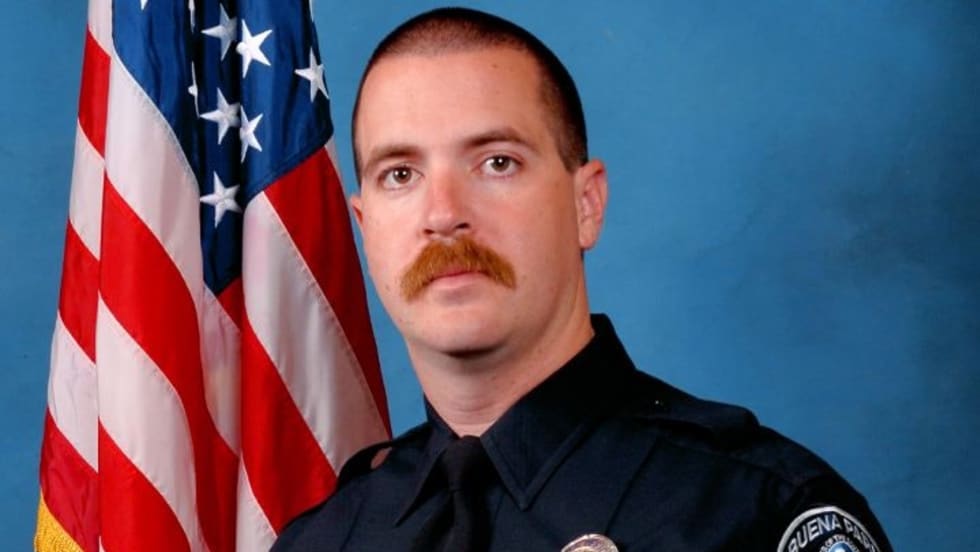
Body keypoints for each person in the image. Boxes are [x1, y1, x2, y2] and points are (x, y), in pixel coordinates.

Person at [274, 7, 892, 552]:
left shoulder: (753, 515)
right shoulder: (323, 540)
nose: (443, 214)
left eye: (496, 162)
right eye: (400, 174)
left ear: (586, 204)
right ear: (366, 226)